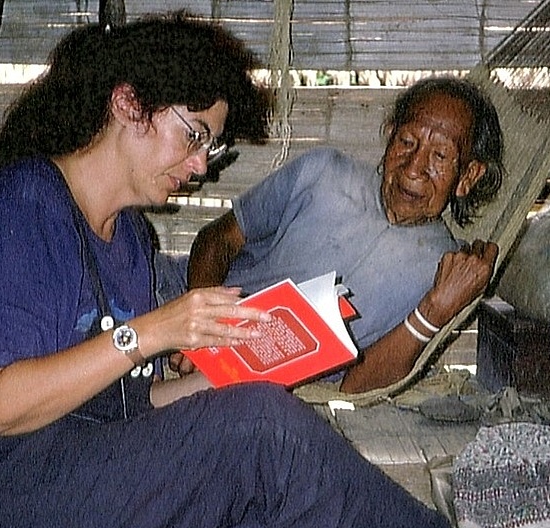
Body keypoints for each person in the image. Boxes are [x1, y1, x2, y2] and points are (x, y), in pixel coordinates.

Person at [0, 13, 550, 528]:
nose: (202, 164)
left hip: (55, 505)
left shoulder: (129, 242)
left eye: (211, 143)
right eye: (194, 135)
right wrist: (156, 331)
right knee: (260, 429)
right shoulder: (22, 206)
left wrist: (231, 378)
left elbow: (127, 406)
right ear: (129, 105)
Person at [159, 75, 504, 393]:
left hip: (257, 388)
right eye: (407, 141)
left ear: (468, 176)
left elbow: (355, 385)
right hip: (181, 301)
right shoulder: (324, 172)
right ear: (390, 134)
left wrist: (433, 312)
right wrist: (203, 328)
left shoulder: (443, 273)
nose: (413, 168)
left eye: (440, 155)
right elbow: (218, 239)